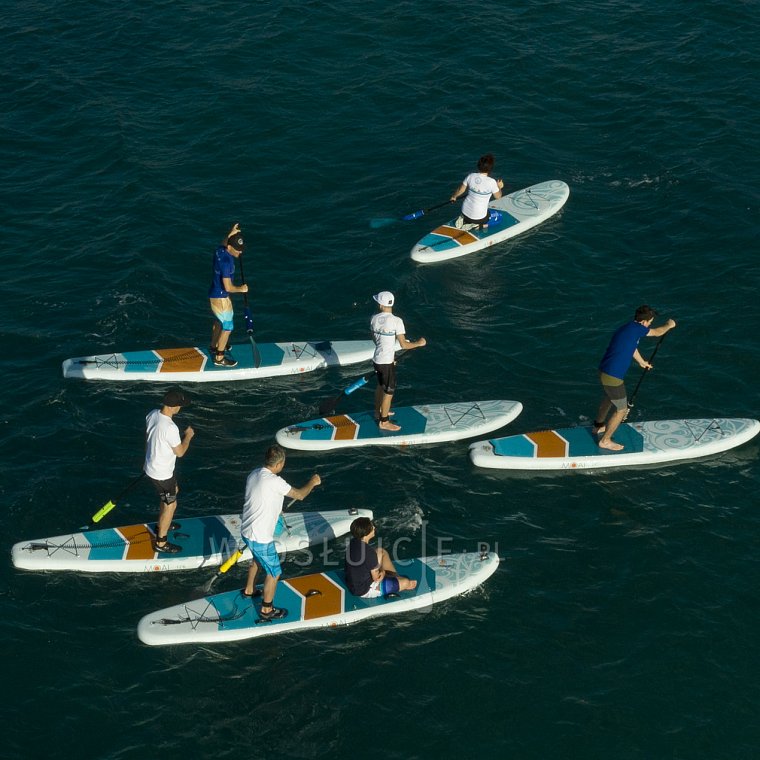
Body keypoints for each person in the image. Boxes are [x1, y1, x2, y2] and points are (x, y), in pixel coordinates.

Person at [241, 444, 321, 620]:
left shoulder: (254, 473)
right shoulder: (276, 482)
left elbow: (262, 496)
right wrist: (312, 483)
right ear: (279, 464)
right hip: (260, 537)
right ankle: (266, 610)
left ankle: (249, 590)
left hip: (246, 531)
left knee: (257, 560)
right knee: (274, 572)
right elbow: (300, 495)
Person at [593, 305, 677, 451]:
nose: (650, 324)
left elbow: (630, 346)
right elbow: (658, 332)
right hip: (613, 377)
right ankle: (605, 441)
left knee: (608, 398)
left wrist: (641, 361)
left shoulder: (627, 328)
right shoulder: (639, 329)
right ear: (644, 322)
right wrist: (669, 325)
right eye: (650, 322)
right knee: (621, 409)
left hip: (604, 371)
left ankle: (598, 427)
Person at [143, 388, 195, 553]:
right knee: (171, 506)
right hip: (162, 473)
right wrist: (188, 436)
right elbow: (179, 452)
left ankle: (161, 525)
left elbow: (150, 437)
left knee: (173, 492)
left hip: (152, 467)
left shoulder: (152, 414)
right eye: (180, 405)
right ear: (174, 407)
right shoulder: (171, 428)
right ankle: (161, 542)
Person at [370, 291, 426, 432]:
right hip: (386, 362)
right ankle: (384, 422)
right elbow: (403, 345)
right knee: (389, 392)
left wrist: (389, 356)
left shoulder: (374, 318)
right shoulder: (397, 321)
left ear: (381, 304)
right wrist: (419, 343)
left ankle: (378, 412)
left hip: (377, 359)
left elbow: (376, 341)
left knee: (380, 385)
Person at [344, 517, 418, 598]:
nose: (374, 528)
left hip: (351, 581)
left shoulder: (353, 542)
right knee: (406, 582)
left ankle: (396, 578)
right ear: (366, 533)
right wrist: (382, 571)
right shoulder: (369, 553)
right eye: (372, 527)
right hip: (363, 590)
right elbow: (376, 578)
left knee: (381, 551)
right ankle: (399, 583)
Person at [208, 222, 249, 368]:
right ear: (230, 248)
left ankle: (214, 346)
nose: (240, 252)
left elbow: (224, 242)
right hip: (221, 297)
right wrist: (241, 289)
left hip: (214, 294)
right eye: (237, 250)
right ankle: (219, 358)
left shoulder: (220, 250)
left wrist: (230, 233)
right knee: (228, 327)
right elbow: (228, 287)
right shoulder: (227, 263)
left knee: (219, 322)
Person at [450, 153, 504, 230]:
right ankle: (479, 226)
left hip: (464, 213)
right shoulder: (492, 182)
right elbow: (498, 197)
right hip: (478, 218)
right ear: (490, 169)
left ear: (478, 165)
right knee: (499, 217)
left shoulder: (470, 176)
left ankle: (464, 221)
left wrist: (453, 197)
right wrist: (499, 187)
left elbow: (460, 190)